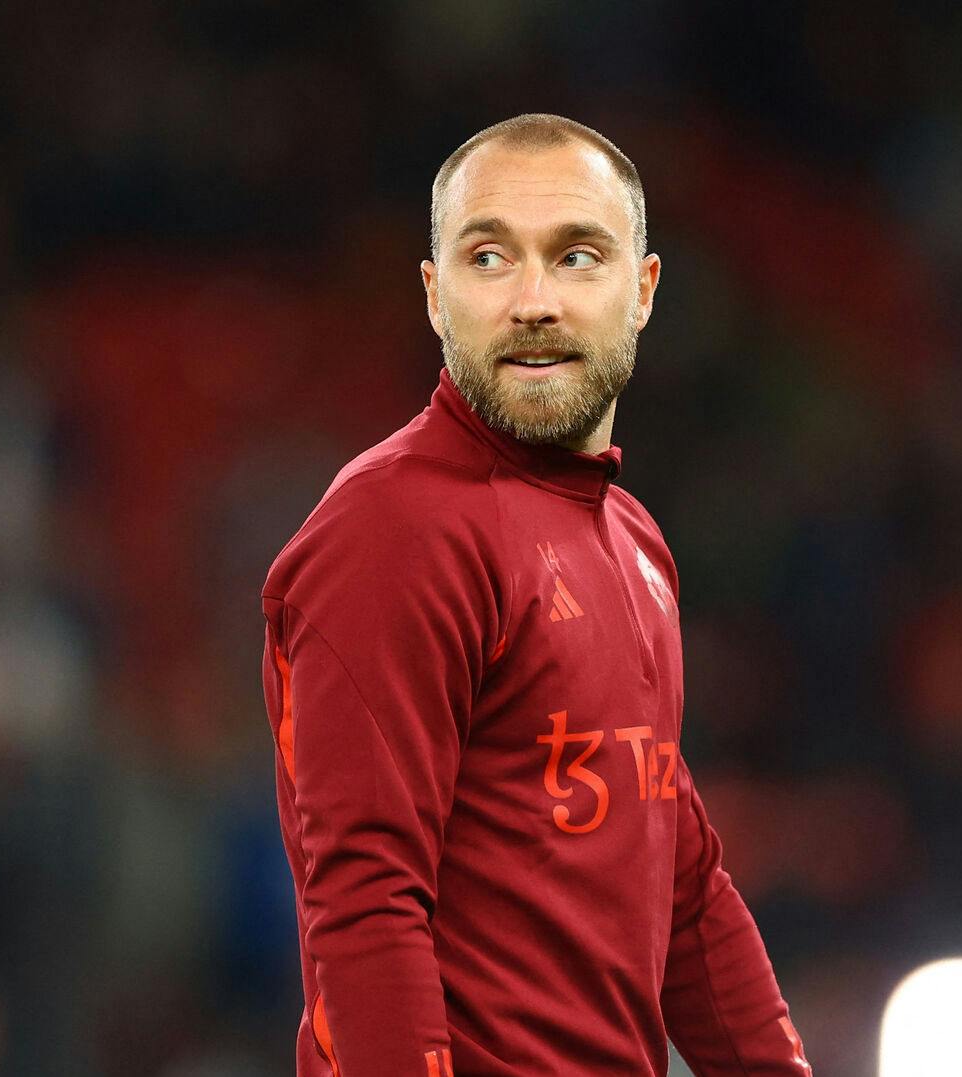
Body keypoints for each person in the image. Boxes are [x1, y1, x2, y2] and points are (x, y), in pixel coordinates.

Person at [260, 113, 809, 1076]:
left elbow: (681, 885)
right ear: (435, 297)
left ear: (641, 292)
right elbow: (364, 908)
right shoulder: (392, 531)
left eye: (577, 256)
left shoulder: (633, 539)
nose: (532, 301)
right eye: (488, 257)